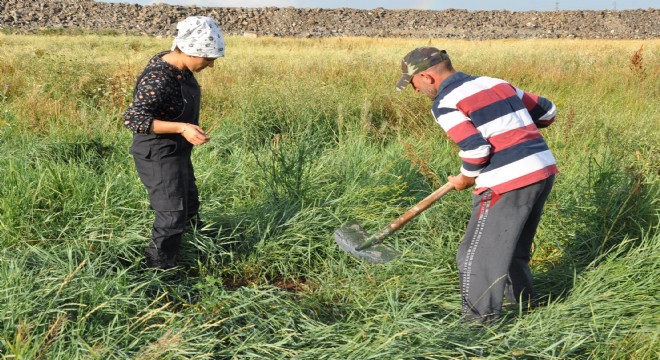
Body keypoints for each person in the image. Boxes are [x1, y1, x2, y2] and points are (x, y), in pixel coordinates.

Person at [396, 47, 558, 324]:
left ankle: (478, 327)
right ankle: (525, 309)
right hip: (542, 170)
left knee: (474, 255)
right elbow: (547, 112)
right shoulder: (495, 83)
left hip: (507, 181)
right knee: (512, 247)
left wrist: (465, 177)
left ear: (426, 77)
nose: (415, 91)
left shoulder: (445, 102)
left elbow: (476, 150)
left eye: (413, 84)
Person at [123, 16, 225, 269]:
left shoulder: (180, 67)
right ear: (190, 51)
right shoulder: (159, 78)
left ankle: (190, 249)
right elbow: (133, 119)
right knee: (171, 213)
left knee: (189, 202)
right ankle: (158, 271)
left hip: (177, 150)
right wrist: (182, 127)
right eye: (208, 58)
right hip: (157, 152)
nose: (210, 65)